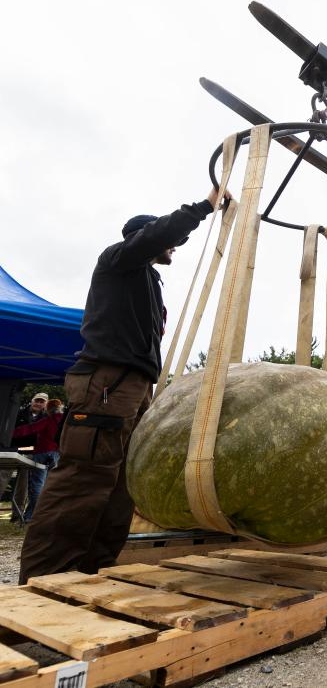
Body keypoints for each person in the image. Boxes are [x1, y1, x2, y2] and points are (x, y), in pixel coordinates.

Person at [19, 185, 228, 584]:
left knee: (121, 482)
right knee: (86, 477)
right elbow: (158, 235)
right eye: (169, 242)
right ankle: (46, 580)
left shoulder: (145, 276)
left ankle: (93, 573)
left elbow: (167, 238)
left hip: (131, 387)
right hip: (106, 384)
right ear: (143, 237)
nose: (175, 247)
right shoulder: (118, 261)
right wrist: (206, 205)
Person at [10, 397, 64, 522]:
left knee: (37, 484)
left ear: (48, 409)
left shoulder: (47, 420)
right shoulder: (64, 421)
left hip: (42, 452)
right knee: (53, 485)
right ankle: (43, 515)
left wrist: (10, 433)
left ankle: (33, 516)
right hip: (57, 454)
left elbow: (30, 429)